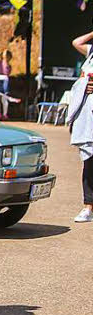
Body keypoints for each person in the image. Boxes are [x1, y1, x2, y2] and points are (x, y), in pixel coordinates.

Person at [68, 30, 93, 223]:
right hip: (88, 117)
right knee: (89, 162)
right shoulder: (91, 52)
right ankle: (88, 207)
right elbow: (76, 41)